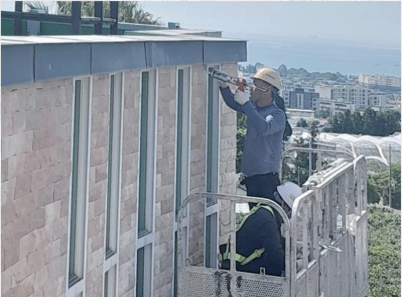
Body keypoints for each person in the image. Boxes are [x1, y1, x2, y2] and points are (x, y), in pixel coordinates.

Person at [219, 67, 286, 210]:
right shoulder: (254, 108)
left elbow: (264, 127)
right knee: (256, 218)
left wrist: (247, 104)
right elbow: (233, 102)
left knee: (266, 219)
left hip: (266, 180)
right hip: (252, 179)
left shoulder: (277, 115)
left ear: (266, 88)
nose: (252, 89)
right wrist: (224, 86)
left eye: (255, 86)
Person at [218, 182, 302, 276]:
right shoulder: (267, 221)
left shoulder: (266, 211)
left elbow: (273, 240)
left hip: (240, 264)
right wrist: (297, 265)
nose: (288, 216)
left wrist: (293, 245)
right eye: (290, 213)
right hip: (240, 270)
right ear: (284, 206)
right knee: (275, 269)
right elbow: (276, 257)